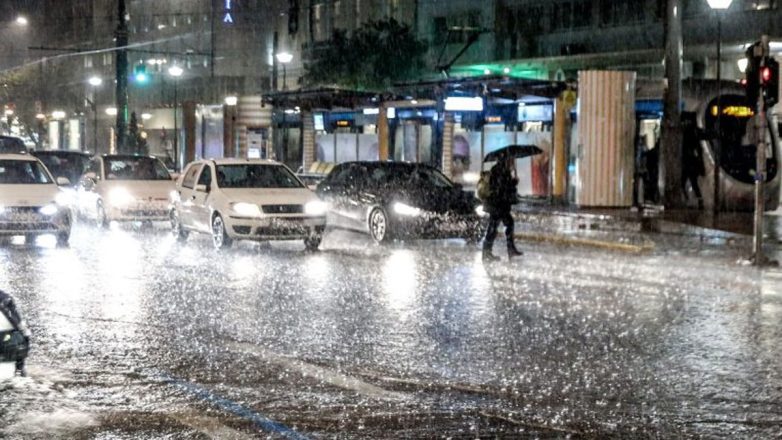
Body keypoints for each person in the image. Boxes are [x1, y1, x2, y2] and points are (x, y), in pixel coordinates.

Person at [482, 152, 523, 262]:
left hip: (499, 204)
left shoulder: (501, 170)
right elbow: (502, 187)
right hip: (497, 205)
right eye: (511, 160)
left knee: (502, 225)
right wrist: (513, 182)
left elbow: (503, 186)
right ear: (506, 160)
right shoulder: (500, 170)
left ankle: (507, 249)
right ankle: (488, 252)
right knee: (495, 227)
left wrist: (511, 182)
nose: (513, 162)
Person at [681, 113, 704, 209]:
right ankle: (697, 200)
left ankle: (689, 200)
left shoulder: (688, 133)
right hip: (691, 164)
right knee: (692, 182)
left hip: (688, 163)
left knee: (685, 182)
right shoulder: (695, 132)